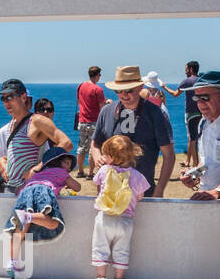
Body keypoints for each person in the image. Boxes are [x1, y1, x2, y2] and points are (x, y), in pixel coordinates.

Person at [90, 65, 175, 198]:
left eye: (129, 90)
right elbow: (95, 143)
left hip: (143, 195)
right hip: (109, 195)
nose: (124, 95)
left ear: (140, 87)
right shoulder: (106, 111)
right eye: (119, 91)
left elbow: (169, 155)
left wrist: (159, 190)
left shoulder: (155, 113)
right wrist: (97, 158)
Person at [2, 146, 80, 279]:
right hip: (44, 191)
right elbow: (77, 187)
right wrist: (66, 181)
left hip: (25, 192)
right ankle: (28, 216)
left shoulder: (37, 174)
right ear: (55, 162)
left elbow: (19, 190)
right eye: (66, 162)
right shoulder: (62, 173)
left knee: (20, 229)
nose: (69, 165)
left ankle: (12, 261)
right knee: (54, 223)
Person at [89, 135, 150, 279]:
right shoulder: (136, 176)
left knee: (100, 248)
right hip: (125, 220)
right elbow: (140, 195)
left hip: (105, 218)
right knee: (122, 250)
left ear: (109, 157)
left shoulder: (104, 171)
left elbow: (98, 186)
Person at [0, 78, 73, 197]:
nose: (6, 102)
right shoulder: (12, 124)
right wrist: (2, 160)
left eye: (10, 97)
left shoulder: (36, 121)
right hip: (10, 188)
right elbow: (19, 154)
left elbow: (66, 143)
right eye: (3, 98)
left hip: (29, 189)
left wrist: (38, 168)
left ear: (23, 97)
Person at [178, 71, 220, 200]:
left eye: (204, 97)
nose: (199, 103)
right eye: (196, 98)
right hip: (206, 197)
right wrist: (194, 175)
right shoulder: (203, 123)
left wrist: (218, 192)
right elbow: (207, 162)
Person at [74, 66, 107, 176]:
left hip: (82, 120)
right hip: (94, 122)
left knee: (81, 147)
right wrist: (108, 103)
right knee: (93, 148)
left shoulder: (81, 86)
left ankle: (80, 171)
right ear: (97, 75)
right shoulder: (98, 90)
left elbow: (79, 101)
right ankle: (91, 173)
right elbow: (102, 107)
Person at [168, 61, 202, 163]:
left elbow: (175, 94)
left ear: (191, 69)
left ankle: (195, 163)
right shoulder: (201, 80)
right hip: (201, 112)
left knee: (192, 139)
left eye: (186, 69)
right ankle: (188, 161)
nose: (185, 71)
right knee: (193, 137)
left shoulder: (186, 81)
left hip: (191, 112)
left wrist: (164, 87)